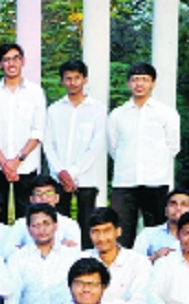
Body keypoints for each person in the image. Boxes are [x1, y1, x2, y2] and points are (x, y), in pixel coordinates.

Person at [108, 62, 181, 248]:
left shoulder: (166, 113)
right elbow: (113, 147)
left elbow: (173, 146)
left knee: (157, 233)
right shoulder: (118, 114)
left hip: (156, 181)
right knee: (122, 233)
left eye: (144, 80)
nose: (139, 84)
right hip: (125, 181)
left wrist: (156, 165)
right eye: (135, 80)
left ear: (153, 83)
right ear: (128, 83)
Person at [43, 59, 107, 248]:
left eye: (77, 78)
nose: (72, 82)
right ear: (62, 81)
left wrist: (73, 172)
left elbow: (96, 146)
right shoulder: (54, 110)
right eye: (68, 78)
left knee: (87, 222)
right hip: (59, 177)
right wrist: (61, 172)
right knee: (59, 223)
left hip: (86, 176)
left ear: (85, 79)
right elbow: (48, 144)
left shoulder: (98, 109)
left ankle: (87, 258)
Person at [0, 42, 46, 222]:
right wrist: (4, 163)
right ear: (0, 64)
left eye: (15, 59)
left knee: (27, 217)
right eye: (6, 60)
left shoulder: (35, 92)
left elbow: (38, 130)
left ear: (22, 61)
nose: (11, 64)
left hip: (26, 165)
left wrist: (18, 160)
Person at [84, 207, 150, 304]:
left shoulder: (138, 262)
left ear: (118, 231)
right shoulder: (82, 259)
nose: (101, 238)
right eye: (96, 232)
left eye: (107, 231)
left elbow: (140, 303)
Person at [4, 174, 82, 254]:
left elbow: (74, 252)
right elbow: (9, 251)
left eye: (49, 193)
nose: (44, 197)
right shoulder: (21, 224)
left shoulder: (69, 224)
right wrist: (59, 246)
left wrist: (25, 248)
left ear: (57, 198)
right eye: (38, 193)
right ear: (31, 199)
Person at [133, 188, 189, 262]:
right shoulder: (148, 234)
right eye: (173, 204)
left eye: (184, 204)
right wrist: (154, 257)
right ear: (166, 210)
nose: (178, 208)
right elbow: (134, 265)